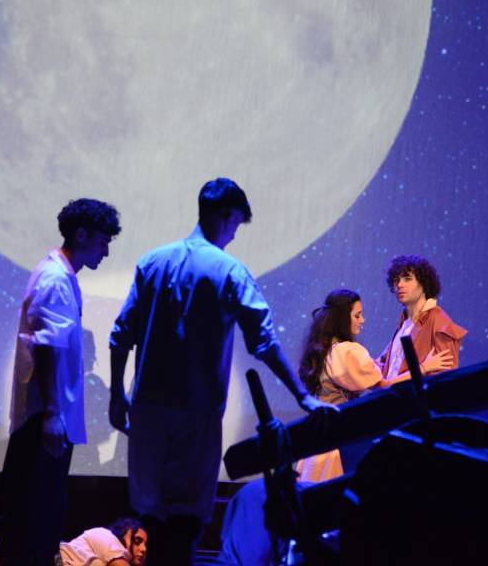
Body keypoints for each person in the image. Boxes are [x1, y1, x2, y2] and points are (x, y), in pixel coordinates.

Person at [108, 177, 333, 565]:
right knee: (186, 522)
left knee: (152, 518)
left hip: (149, 412)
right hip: (196, 414)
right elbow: (264, 342)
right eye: (235, 225)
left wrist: (116, 395)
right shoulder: (229, 271)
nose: (233, 235)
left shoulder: (153, 262)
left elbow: (121, 335)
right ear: (226, 216)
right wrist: (302, 396)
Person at [0, 198, 121, 566]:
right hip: (43, 419)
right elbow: (48, 346)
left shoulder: (63, 277)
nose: (106, 251)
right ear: (81, 235)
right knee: (34, 514)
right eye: (102, 241)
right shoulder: (55, 279)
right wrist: (52, 412)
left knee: (42, 512)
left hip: (49, 417)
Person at [295, 289, 453, 482]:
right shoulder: (348, 351)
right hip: (337, 445)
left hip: (319, 441)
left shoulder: (325, 349)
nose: (362, 320)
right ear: (342, 318)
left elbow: (362, 372)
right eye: (357, 315)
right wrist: (424, 367)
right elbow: (384, 385)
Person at [375, 255, 467, 380]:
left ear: (424, 283)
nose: (400, 284)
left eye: (407, 279)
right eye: (396, 280)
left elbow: (445, 378)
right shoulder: (404, 323)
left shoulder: (439, 321)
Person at [59, 518, 148, 566]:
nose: (144, 549)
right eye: (137, 541)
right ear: (125, 535)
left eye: (145, 544)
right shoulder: (104, 534)